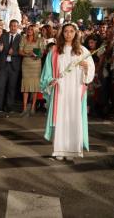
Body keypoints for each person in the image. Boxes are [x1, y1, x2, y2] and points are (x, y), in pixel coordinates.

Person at [40, 23, 95, 160]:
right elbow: (47, 71)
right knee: (60, 118)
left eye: (71, 31)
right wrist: (50, 80)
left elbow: (90, 72)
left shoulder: (83, 51)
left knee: (73, 117)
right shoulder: (55, 51)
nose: (68, 34)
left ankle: (72, 150)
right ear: (62, 33)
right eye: (66, 31)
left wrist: (86, 67)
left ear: (76, 33)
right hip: (61, 90)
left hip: (76, 90)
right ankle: (59, 150)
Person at [0, 19, 22, 113]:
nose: (13, 27)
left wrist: (14, 53)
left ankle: (9, 107)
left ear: (18, 27)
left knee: (11, 87)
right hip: (3, 65)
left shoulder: (20, 38)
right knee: (1, 87)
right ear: (9, 26)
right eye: (12, 25)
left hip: (14, 66)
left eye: (15, 26)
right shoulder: (3, 35)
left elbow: (22, 51)